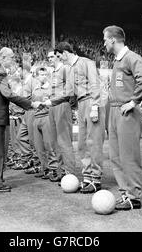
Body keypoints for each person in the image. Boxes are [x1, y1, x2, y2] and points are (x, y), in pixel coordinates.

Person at [44, 42, 105, 194]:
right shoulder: (70, 69)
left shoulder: (86, 62)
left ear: (65, 53)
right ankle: (87, 177)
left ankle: (96, 179)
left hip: (91, 101)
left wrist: (96, 106)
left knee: (94, 142)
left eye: (59, 56)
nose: (59, 59)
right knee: (82, 144)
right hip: (81, 103)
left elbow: (95, 84)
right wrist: (50, 101)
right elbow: (68, 93)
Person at [0, 47, 40, 193]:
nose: (14, 60)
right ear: (3, 57)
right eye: (12, 58)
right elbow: (8, 94)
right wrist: (30, 103)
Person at [103, 25, 142, 210]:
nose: (104, 42)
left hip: (126, 112)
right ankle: (125, 193)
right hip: (114, 111)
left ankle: (134, 196)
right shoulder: (117, 60)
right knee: (115, 156)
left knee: (128, 156)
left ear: (113, 40)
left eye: (105, 39)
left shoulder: (132, 57)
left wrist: (134, 101)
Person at [47, 49, 76, 182]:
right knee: (55, 141)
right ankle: (61, 171)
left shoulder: (65, 69)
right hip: (52, 107)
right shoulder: (52, 73)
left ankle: (69, 173)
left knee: (64, 141)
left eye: (52, 57)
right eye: (48, 58)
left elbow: (69, 91)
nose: (50, 59)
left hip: (62, 105)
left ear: (58, 57)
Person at [30, 67, 58, 179]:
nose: (43, 76)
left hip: (47, 117)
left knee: (49, 144)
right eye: (41, 74)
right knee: (39, 146)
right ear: (36, 76)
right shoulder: (35, 88)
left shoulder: (51, 88)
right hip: (36, 117)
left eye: (45, 74)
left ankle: (54, 169)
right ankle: (45, 168)